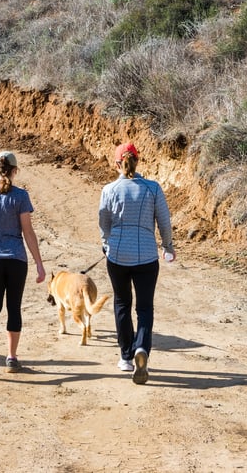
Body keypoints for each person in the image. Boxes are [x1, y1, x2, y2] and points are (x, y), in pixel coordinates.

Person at [98, 142, 175, 384]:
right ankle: (142, 348)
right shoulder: (152, 188)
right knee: (144, 308)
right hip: (146, 257)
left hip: (118, 256)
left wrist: (106, 243)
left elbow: (104, 222)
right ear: (137, 161)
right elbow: (164, 221)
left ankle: (126, 356)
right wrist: (167, 246)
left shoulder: (109, 190)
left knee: (122, 304)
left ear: (116, 163)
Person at [0, 151, 46, 374]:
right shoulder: (21, 196)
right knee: (14, 308)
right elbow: (28, 232)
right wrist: (39, 264)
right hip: (16, 260)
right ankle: (12, 358)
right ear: (15, 171)